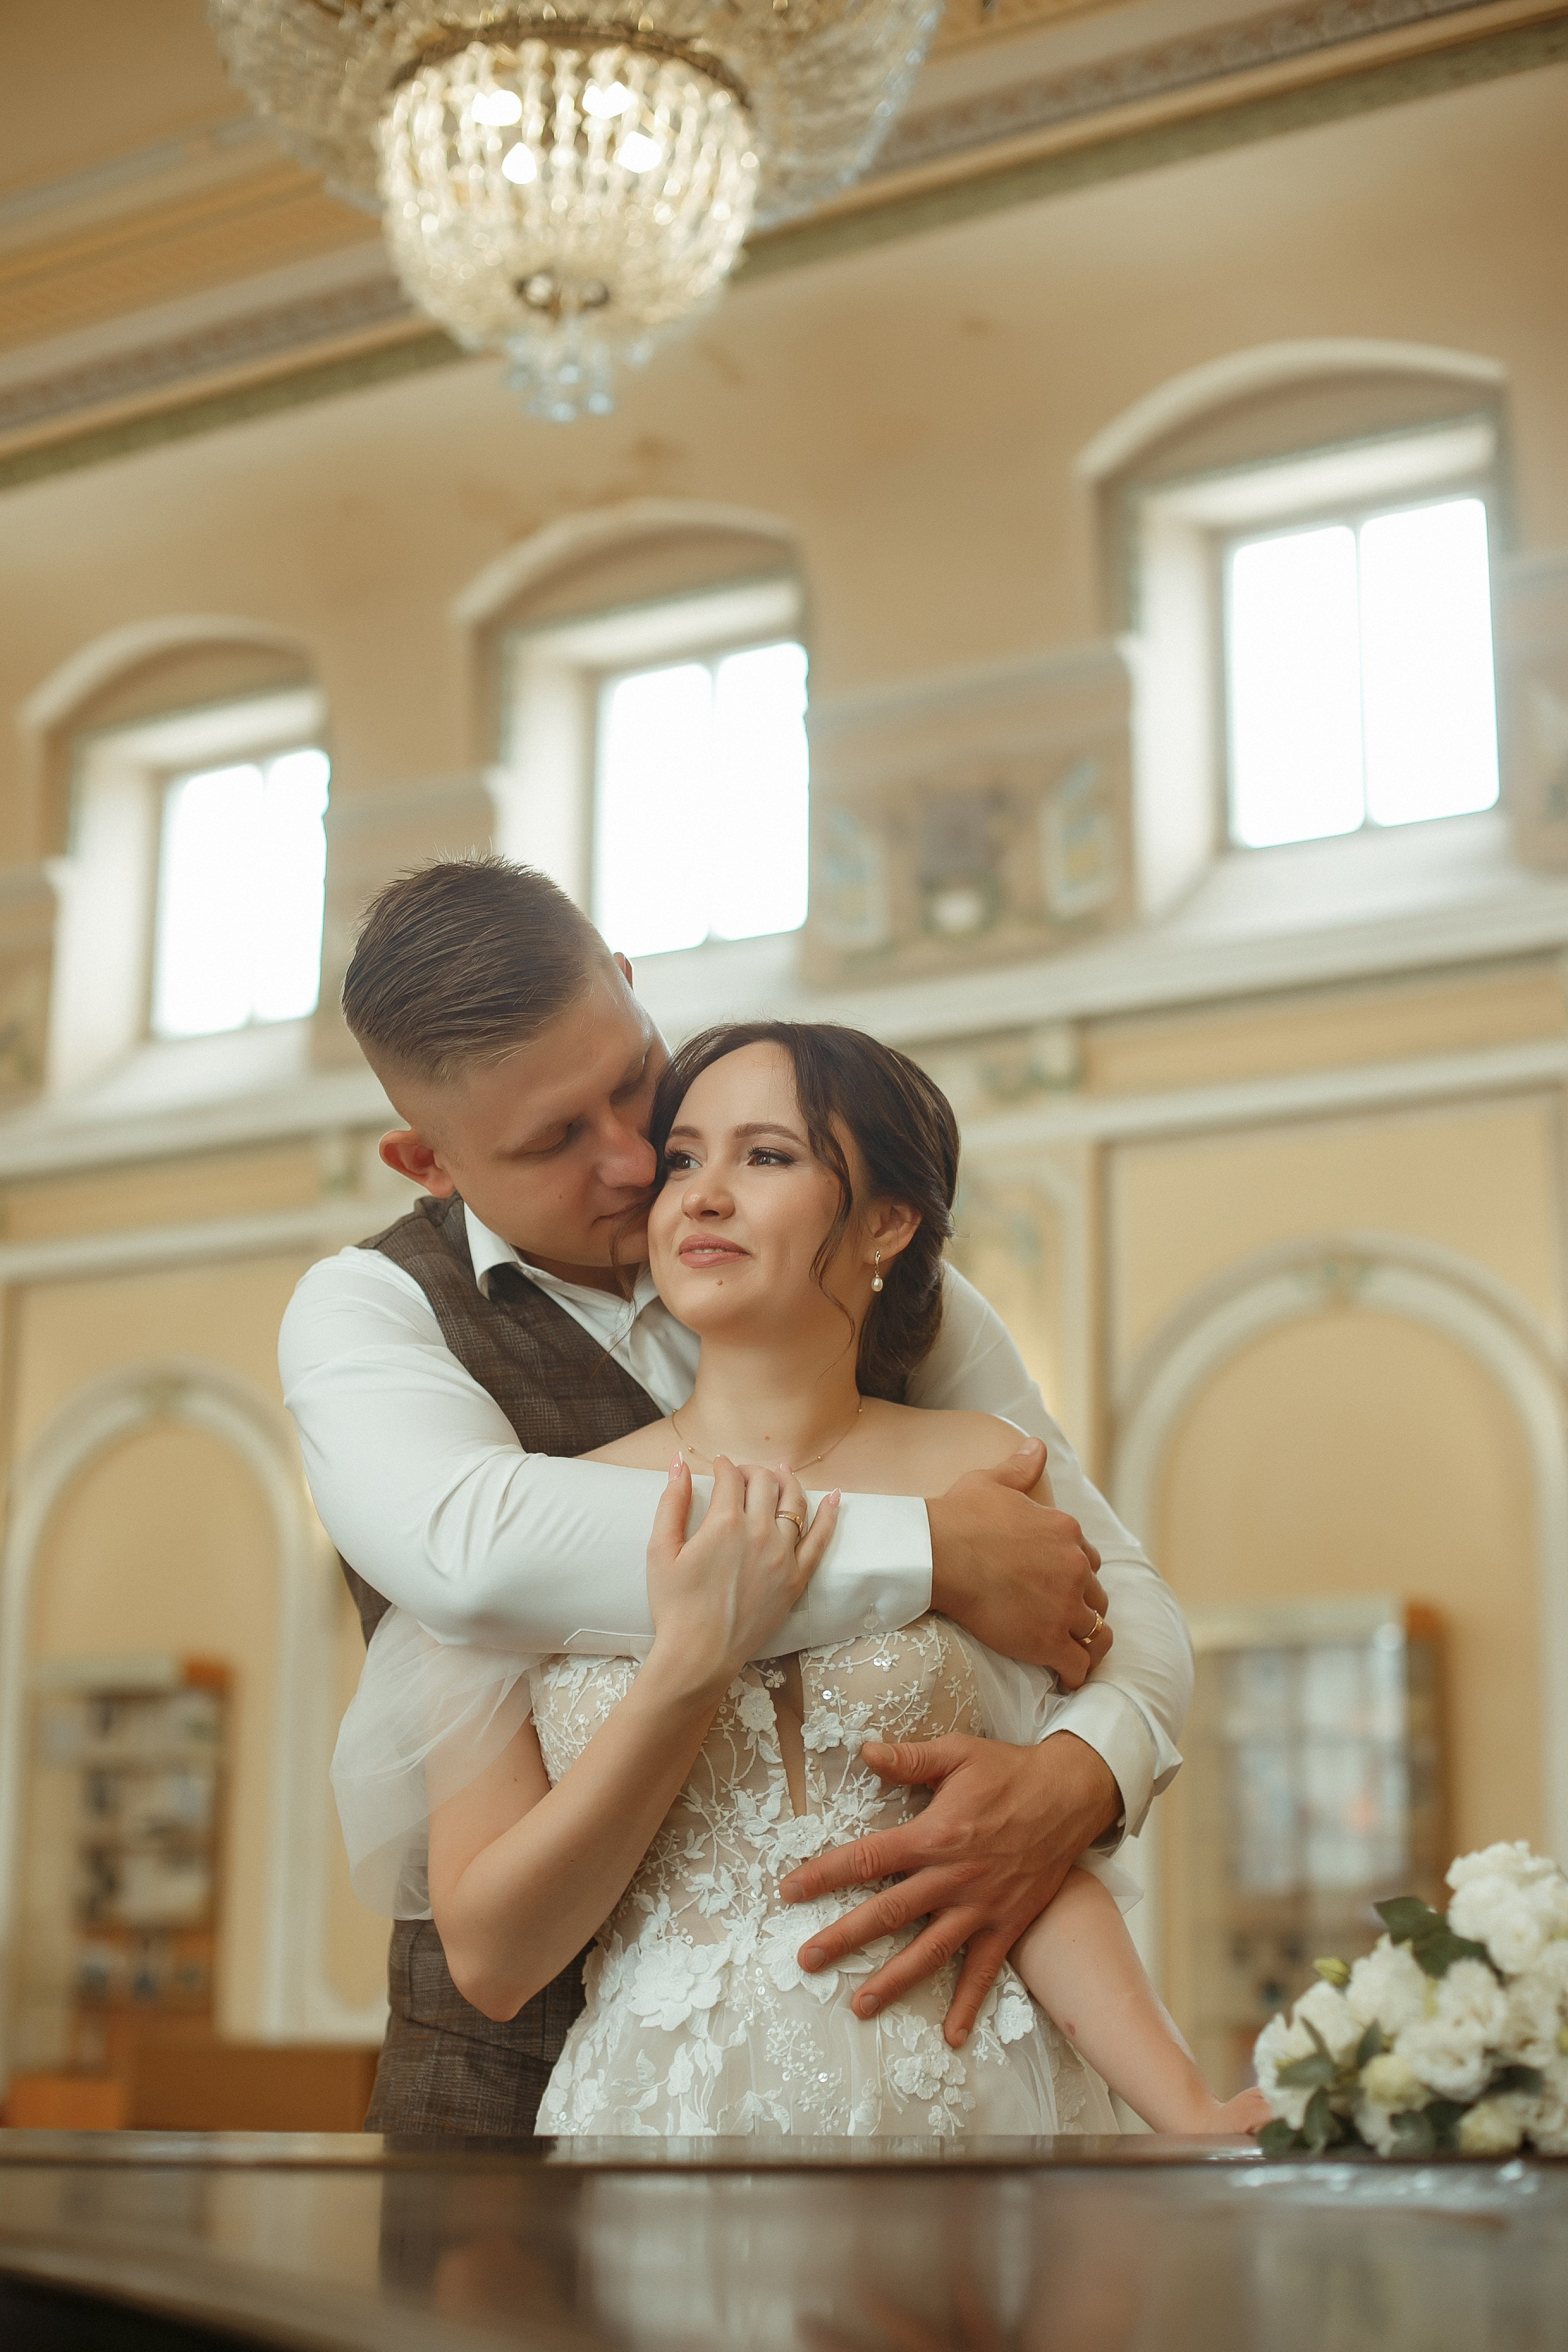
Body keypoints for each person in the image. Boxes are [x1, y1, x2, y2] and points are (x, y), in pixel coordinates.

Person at [280, 857, 1193, 2133]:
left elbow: (1114, 1594)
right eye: (554, 1139)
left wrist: (1079, 1775)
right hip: (518, 2081)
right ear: (424, 1159)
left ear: (630, 986)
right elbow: (474, 1556)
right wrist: (930, 1552)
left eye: (632, 1083)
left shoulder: (887, 1291)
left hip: (929, 2060)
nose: (632, 1160)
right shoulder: (371, 1311)